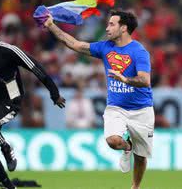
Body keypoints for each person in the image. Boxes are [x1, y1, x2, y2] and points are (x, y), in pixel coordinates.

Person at [43, 10, 154, 189]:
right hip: (116, 107)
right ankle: (127, 146)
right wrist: (51, 26)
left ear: (123, 28)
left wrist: (125, 79)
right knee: (113, 141)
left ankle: (135, 187)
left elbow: (145, 80)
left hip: (142, 110)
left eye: (112, 24)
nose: (107, 27)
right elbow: (75, 44)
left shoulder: (139, 51)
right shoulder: (105, 47)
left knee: (141, 157)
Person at [0, 18, 65, 189]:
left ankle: (6, 148)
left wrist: (54, 93)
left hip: (9, 102)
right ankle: (9, 186)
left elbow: (36, 68)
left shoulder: (10, 51)